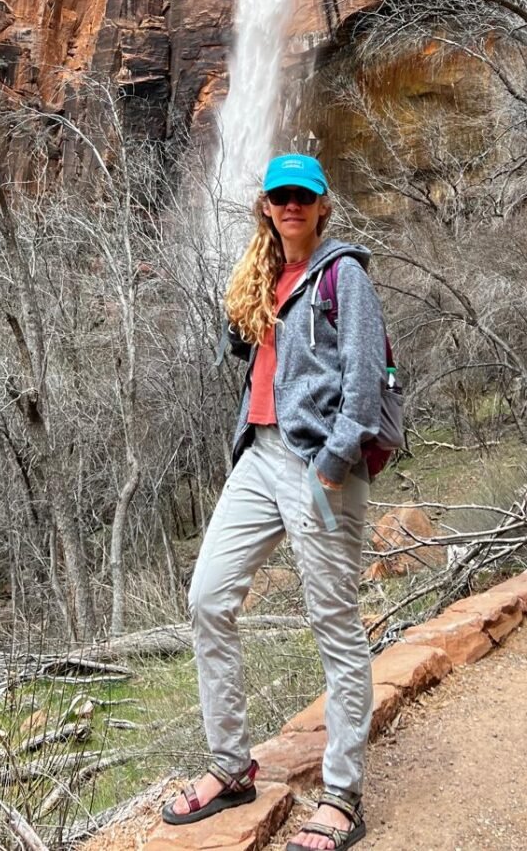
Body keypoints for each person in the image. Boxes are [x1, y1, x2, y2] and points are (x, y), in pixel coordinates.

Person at [162, 153, 386, 850]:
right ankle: (231, 765)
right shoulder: (261, 275)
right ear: (265, 205)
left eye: (304, 196)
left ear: (322, 206)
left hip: (317, 466)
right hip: (256, 457)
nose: (292, 204)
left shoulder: (344, 276)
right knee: (208, 595)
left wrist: (331, 466)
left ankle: (342, 795)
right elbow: (249, 353)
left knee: (335, 624)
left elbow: (366, 381)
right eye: (280, 195)